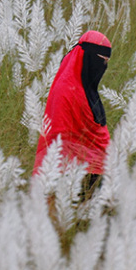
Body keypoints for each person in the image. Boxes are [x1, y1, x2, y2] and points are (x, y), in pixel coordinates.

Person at [34, 30, 112, 203]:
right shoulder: (65, 90)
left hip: (97, 171)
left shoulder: (88, 90)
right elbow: (59, 139)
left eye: (107, 62)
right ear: (87, 57)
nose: (103, 67)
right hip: (71, 175)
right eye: (101, 60)